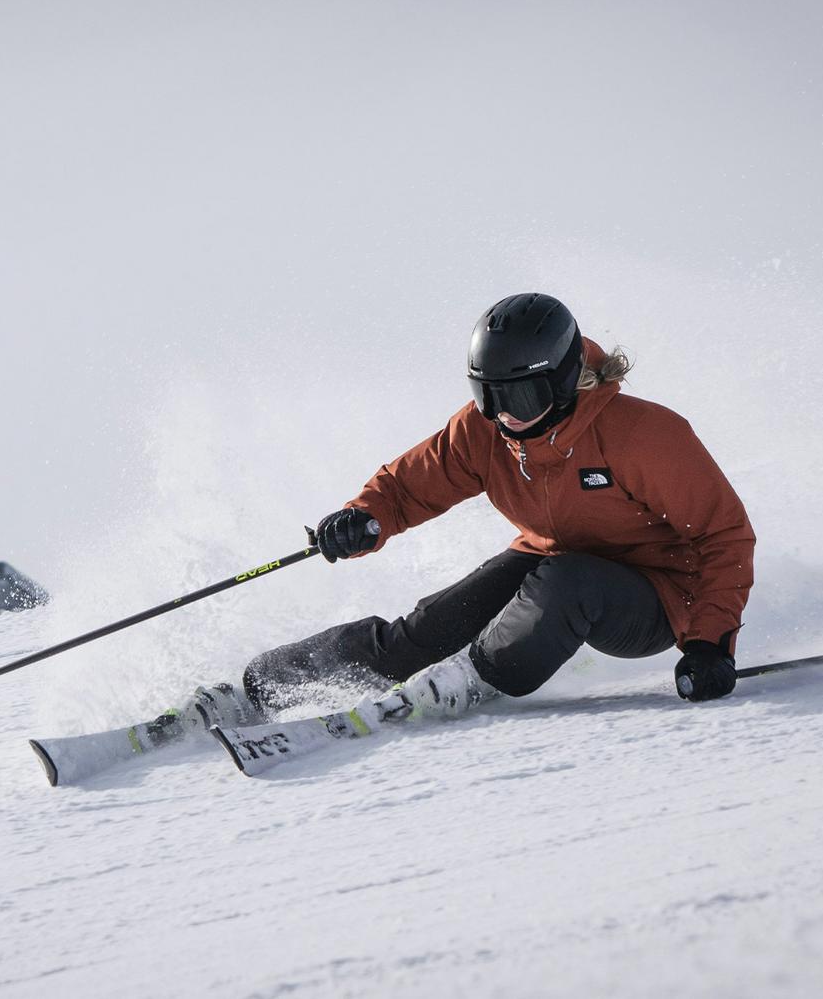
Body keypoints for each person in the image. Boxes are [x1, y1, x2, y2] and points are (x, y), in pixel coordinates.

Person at [193, 293, 755, 729]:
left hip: (656, 596)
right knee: (425, 631)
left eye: (521, 397)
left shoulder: (643, 435)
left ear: (562, 382)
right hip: (548, 562)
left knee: (569, 580)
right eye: (489, 396)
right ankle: (259, 689)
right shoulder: (487, 432)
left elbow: (724, 537)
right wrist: (363, 517)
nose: (504, 415)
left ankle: (468, 679)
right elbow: (409, 486)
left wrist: (710, 644)